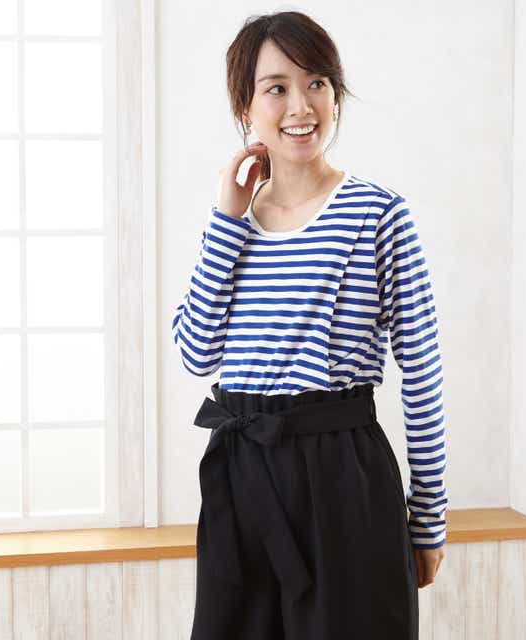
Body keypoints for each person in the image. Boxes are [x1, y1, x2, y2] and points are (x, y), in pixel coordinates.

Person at [172, 10, 448, 640]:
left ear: (335, 93)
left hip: (342, 479)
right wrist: (226, 219)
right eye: (276, 87)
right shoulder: (231, 223)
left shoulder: (378, 213)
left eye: (317, 83)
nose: (301, 105)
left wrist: (429, 517)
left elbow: (423, 372)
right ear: (245, 106)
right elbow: (195, 355)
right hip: (239, 474)